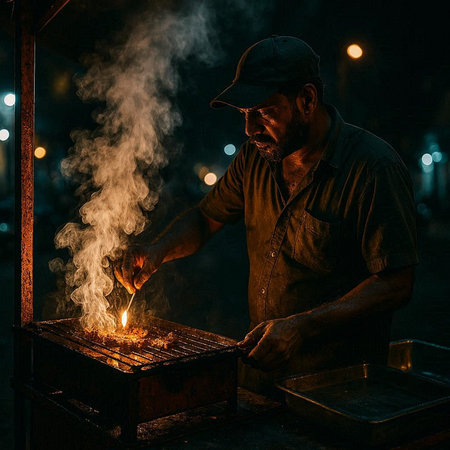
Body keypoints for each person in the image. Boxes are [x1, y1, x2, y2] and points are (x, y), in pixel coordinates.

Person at [114, 36, 418, 392]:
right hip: (263, 379)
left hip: (342, 387)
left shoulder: (372, 167)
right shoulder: (253, 159)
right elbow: (204, 218)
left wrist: (302, 327)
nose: (250, 129)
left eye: (264, 112)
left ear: (306, 100)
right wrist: (158, 250)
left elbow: (396, 283)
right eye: (245, 114)